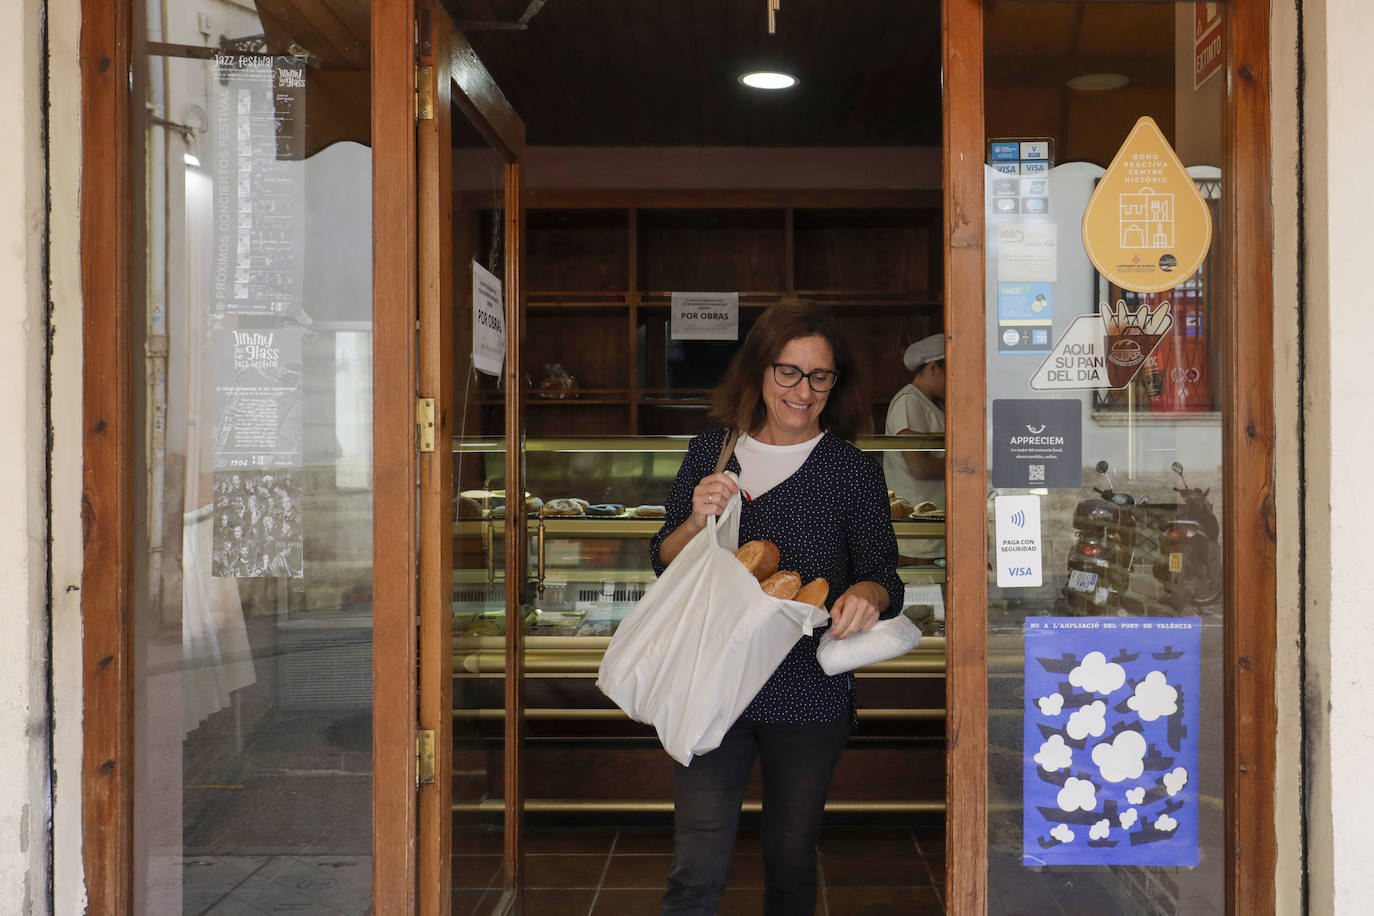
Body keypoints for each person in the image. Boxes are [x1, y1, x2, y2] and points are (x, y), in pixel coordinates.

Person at [649, 300, 903, 915]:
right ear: (759, 371)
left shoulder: (853, 471)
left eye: (820, 376)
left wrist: (868, 595)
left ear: (834, 384)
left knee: (791, 856)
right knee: (698, 860)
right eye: (788, 371)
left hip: (808, 688)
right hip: (714, 680)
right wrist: (694, 519)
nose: (803, 389)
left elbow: (883, 575)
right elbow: (663, 558)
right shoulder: (712, 451)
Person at [883, 334, 946, 563]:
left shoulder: (931, 403)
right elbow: (919, 466)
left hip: (932, 531)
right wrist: (963, 469)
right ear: (933, 368)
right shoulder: (909, 401)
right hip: (917, 537)